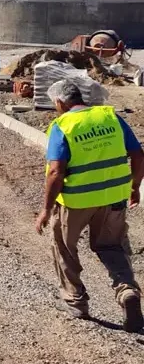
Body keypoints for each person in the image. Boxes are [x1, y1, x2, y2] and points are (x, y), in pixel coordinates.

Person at [35, 79, 144, 331]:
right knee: (112, 246)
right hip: (113, 198)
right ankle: (127, 291)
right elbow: (138, 155)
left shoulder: (63, 125)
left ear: (60, 103)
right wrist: (134, 186)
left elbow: (56, 171)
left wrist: (46, 209)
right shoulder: (110, 117)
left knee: (64, 247)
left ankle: (76, 302)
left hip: (77, 200)